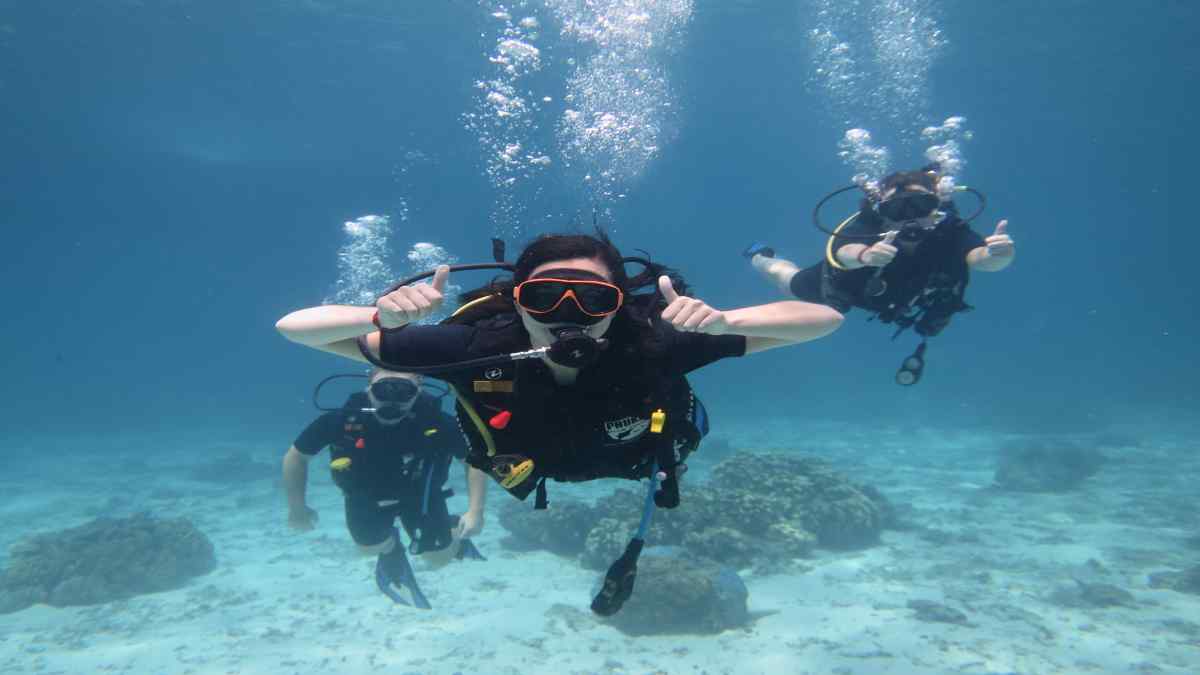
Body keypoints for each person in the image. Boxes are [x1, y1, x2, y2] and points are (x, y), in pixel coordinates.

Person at [276, 231, 842, 612]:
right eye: (545, 296)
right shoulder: (472, 345)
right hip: (531, 467)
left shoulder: (657, 342)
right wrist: (379, 316)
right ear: (517, 300)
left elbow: (823, 318)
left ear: (619, 302)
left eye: (592, 298)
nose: (567, 314)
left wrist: (724, 322)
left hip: (634, 462)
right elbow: (295, 329)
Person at [744, 165, 1015, 383]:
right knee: (788, 280)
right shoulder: (869, 224)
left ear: (937, 206)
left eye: (920, 206)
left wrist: (999, 255)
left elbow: (980, 258)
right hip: (852, 283)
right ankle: (760, 257)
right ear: (881, 209)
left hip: (908, 295)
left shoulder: (952, 230)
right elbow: (844, 250)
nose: (909, 217)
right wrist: (866, 256)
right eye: (897, 209)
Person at [282, 368, 487, 609]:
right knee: (369, 548)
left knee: (439, 559)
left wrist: (475, 511)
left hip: (421, 497)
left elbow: (475, 461)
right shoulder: (342, 421)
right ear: (368, 387)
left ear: (418, 391)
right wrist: (297, 507)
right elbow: (296, 457)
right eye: (383, 390)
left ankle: (452, 529)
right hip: (365, 496)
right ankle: (391, 549)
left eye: (404, 392)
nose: (392, 401)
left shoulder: (438, 423)